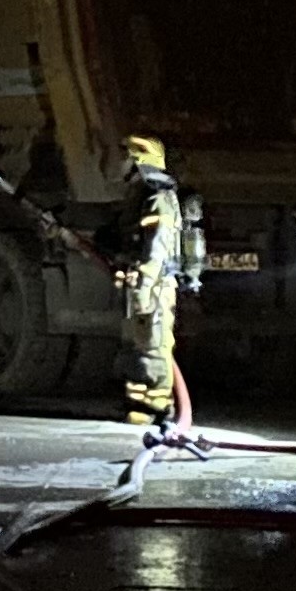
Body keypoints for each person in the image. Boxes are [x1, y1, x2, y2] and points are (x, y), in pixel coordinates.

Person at [113, 135, 196, 433]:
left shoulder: (157, 196)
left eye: (128, 157)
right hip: (142, 281)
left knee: (153, 345)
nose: (121, 164)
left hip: (156, 285)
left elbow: (158, 247)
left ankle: (157, 404)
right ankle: (139, 403)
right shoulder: (139, 195)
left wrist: (146, 285)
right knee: (137, 344)